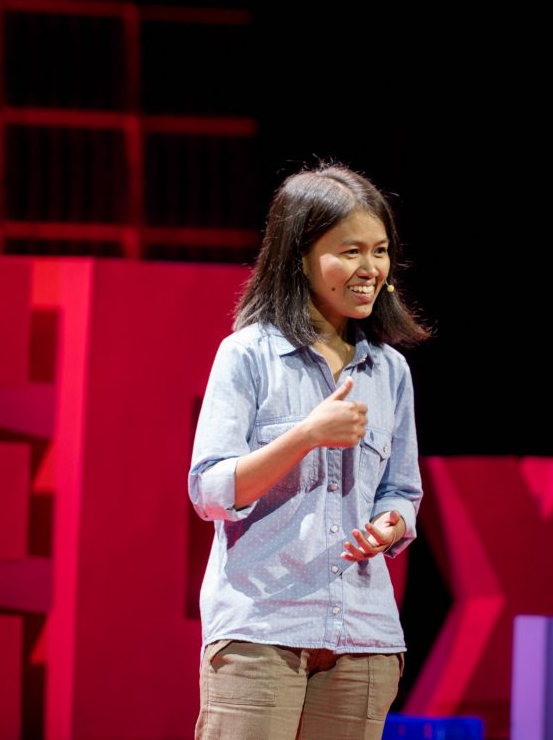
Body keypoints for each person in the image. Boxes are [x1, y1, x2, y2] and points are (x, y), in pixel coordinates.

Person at [188, 162, 430, 740]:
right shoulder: (246, 356)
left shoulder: (389, 370)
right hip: (261, 631)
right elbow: (210, 491)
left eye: (379, 251)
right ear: (300, 255)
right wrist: (305, 434)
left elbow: (402, 489)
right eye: (349, 251)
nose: (369, 269)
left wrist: (391, 523)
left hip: (364, 638)